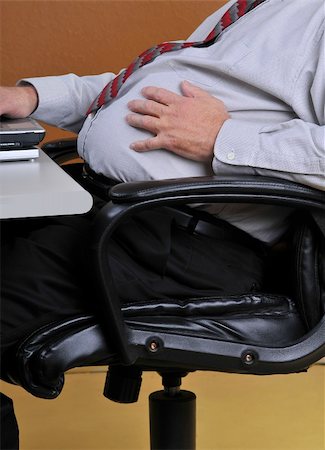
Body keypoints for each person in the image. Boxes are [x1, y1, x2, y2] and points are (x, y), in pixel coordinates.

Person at [0, 0, 324, 448]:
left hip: (175, 244)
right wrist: (31, 99)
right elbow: (142, 95)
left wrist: (221, 138)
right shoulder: (260, 6)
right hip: (106, 213)